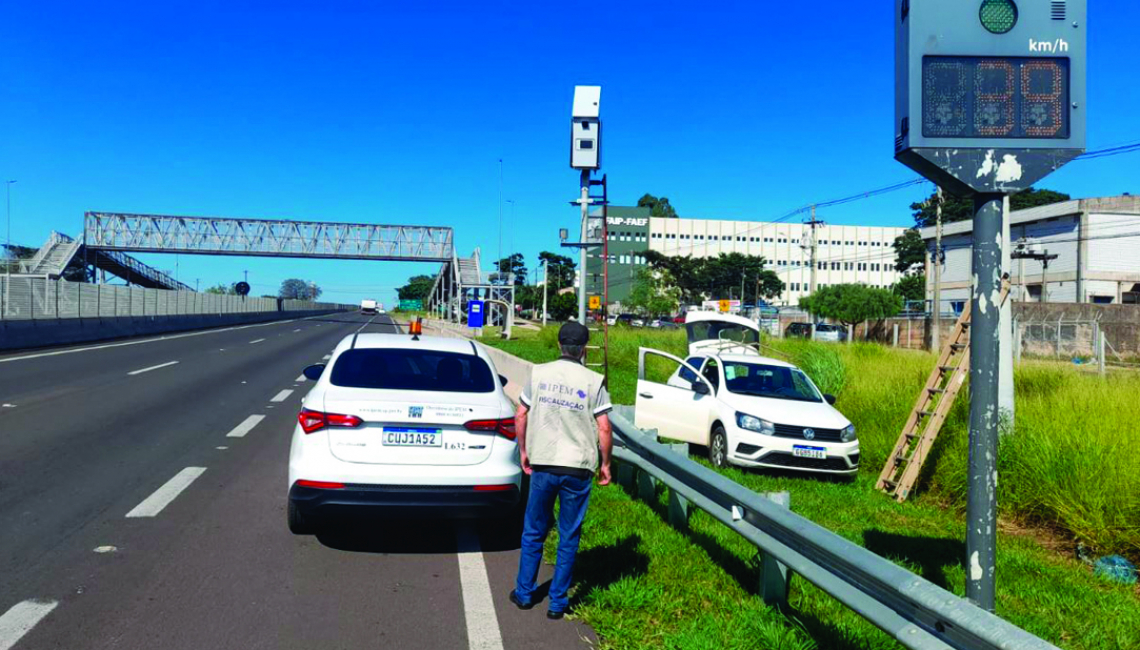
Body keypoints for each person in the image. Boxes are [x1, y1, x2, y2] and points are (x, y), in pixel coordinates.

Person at [509, 321, 613, 620]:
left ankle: (525, 593)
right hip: (578, 468)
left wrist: (525, 452)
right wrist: (605, 464)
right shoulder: (594, 380)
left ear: (558, 345)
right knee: (569, 534)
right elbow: (604, 427)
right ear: (583, 349)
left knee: (534, 530)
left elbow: (521, 413)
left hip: (543, 462)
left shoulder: (539, 374)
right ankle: (557, 602)